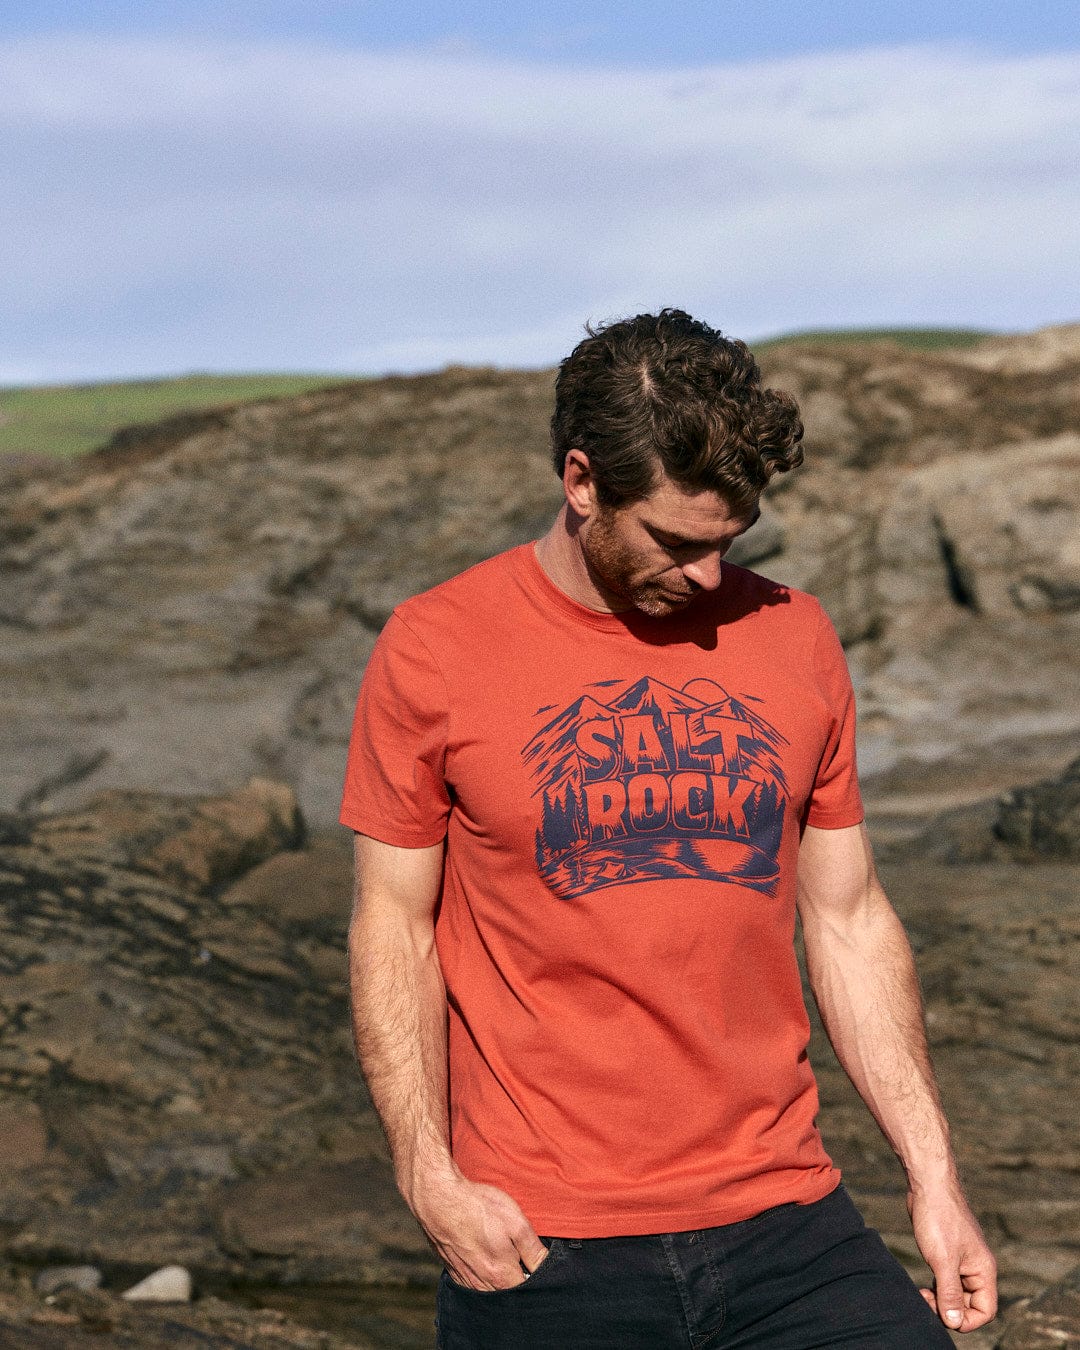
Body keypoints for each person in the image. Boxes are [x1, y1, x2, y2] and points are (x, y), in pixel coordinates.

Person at [340, 309, 997, 1348]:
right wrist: (428, 1177)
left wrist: (935, 1178)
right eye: (676, 543)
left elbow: (850, 919)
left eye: (729, 544)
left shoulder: (796, 635)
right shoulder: (435, 647)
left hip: (789, 1225)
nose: (704, 578)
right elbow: (393, 925)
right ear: (581, 481)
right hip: (547, 1242)